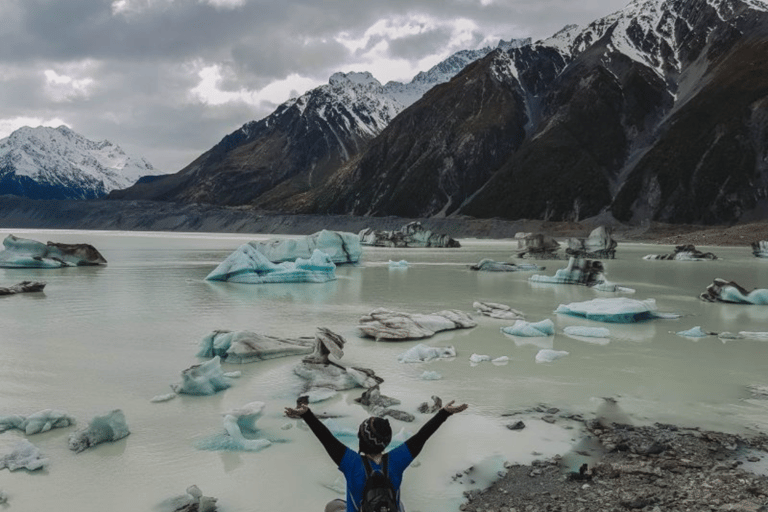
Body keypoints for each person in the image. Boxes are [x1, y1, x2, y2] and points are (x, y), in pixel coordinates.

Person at [285, 399, 468, 512]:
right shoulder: (396, 461)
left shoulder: (352, 464)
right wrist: (444, 413)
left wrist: (307, 415)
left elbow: (327, 439)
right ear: (386, 442)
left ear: (361, 440)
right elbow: (421, 437)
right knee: (399, 504)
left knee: (332, 506)